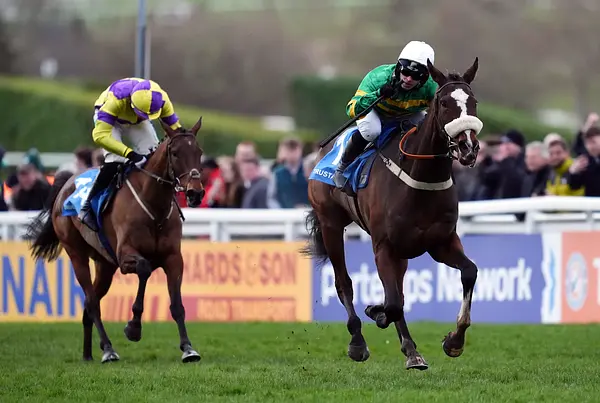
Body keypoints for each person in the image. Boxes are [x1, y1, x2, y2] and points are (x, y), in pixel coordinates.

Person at [78, 77, 183, 230]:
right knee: (115, 160)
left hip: (133, 120)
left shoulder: (162, 99)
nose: (142, 118)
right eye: (141, 114)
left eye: (146, 116)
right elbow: (100, 136)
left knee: (154, 156)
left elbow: (176, 130)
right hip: (111, 118)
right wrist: (129, 154)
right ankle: (87, 206)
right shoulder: (116, 99)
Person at [332, 40, 438, 189]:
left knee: (427, 127)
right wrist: (378, 94)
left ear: (425, 77)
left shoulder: (431, 87)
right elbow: (351, 109)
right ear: (399, 68)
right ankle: (341, 168)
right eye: (406, 72)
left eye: (416, 76)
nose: (408, 79)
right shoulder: (378, 77)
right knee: (372, 131)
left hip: (407, 114)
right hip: (376, 112)